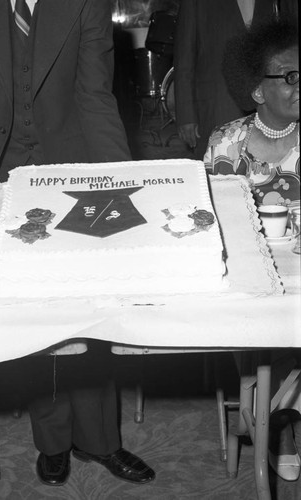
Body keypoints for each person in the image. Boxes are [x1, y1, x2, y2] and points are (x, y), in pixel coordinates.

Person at [0, 0, 155, 487]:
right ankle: (52, 443)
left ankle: (101, 442)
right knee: (33, 315)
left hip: (72, 164)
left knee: (87, 307)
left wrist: (118, 178)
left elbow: (95, 95)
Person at [204, 19, 300, 481]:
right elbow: (210, 223)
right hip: (251, 283)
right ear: (257, 91)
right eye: (291, 77)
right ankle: (278, 426)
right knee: (270, 338)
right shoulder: (225, 143)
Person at [173, 0, 277, 159]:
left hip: (264, 106)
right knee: (219, 171)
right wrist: (186, 115)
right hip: (217, 105)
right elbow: (184, 58)